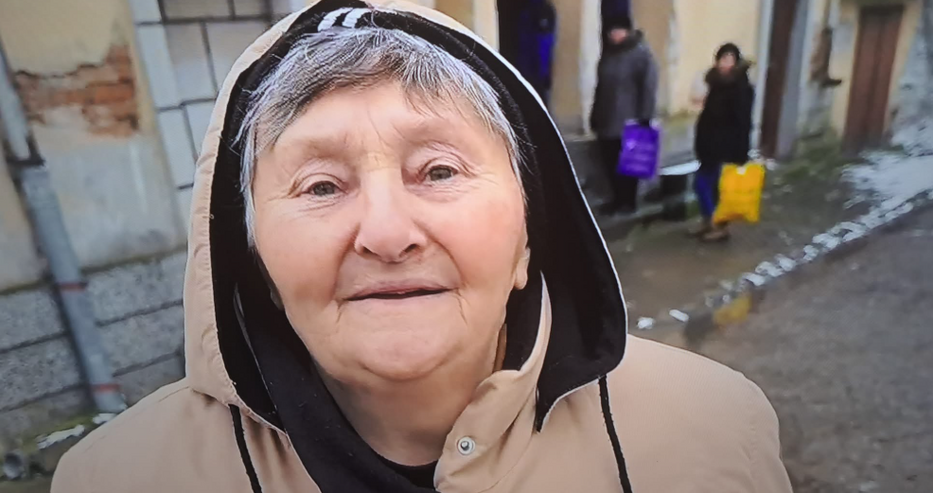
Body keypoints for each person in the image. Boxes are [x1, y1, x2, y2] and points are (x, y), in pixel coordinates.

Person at [52, 2, 791, 492]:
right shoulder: (119, 479)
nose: (386, 233)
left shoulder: (711, 436)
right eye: (320, 185)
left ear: (527, 239)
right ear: (255, 261)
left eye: (438, 171)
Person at [590, 13, 658, 215]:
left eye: (618, 30)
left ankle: (628, 201)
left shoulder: (640, 54)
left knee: (629, 163)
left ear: (628, 31)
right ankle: (616, 198)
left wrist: (645, 116)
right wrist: (595, 114)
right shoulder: (608, 55)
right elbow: (600, 88)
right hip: (607, 118)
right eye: (612, 31)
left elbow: (648, 87)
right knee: (609, 160)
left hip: (630, 119)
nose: (614, 34)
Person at [692, 43, 755, 242]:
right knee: (709, 187)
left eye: (729, 59)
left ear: (736, 62)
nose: (724, 63)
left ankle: (718, 226)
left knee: (707, 186)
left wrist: (741, 152)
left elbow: (743, 122)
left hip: (725, 147)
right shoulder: (714, 83)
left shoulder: (741, 88)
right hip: (708, 145)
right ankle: (709, 222)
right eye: (722, 58)